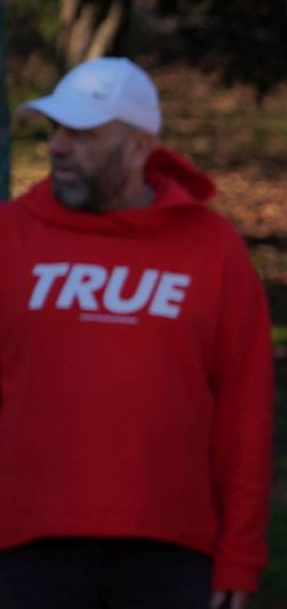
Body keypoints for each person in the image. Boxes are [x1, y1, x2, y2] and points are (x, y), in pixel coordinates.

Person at [0, 57, 273, 609]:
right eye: (54, 129)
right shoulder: (9, 237)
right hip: (23, 547)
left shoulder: (212, 248)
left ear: (137, 146)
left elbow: (245, 414)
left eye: (81, 133)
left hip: (171, 553)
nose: (57, 147)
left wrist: (240, 553)